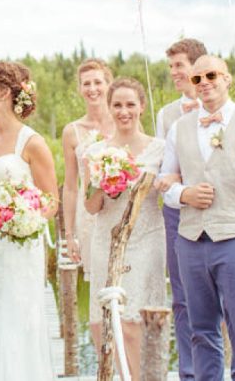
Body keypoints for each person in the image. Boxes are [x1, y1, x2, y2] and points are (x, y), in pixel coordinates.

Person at [159, 55, 235, 381]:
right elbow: (166, 181)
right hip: (191, 243)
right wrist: (184, 195)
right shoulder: (178, 128)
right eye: (197, 79)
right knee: (200, 331)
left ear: (227, 78)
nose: (205, 83)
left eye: (211, 75)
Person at [0, 61, 59, 380]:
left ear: (5, 93)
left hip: (19, 247)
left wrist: (25, 219)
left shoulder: (32, 142)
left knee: (16, 319)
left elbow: (52, 200)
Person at [83, 77, 166, 381]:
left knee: (136, 321)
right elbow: (91, 207)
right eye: (117, 105)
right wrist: (101, 181)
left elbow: (169, 192)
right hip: (106, 240)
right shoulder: (96, 152)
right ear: (109, 107)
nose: (124, 111)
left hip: (147, 239)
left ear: (142, 107)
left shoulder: (161, 149)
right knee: (101, 322)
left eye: (130, 104)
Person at [153, 38, 206, 381]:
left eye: (180, 65)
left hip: (218, 212)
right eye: (170, 66)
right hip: (177, 213)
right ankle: (189, 372)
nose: (174, 72)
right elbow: (164, 170)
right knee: (183, 297)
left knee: (220, 297)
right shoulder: (166, 114)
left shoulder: (226, 108)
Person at [61, 59, 115, 272]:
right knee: (99, 283)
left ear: (108, 84)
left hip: (121, 210)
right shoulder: (71, 131)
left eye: (98, 82)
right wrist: (69, 235)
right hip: (90, 216)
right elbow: (71, 186)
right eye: (86, 84)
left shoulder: (125, 119)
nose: (92, 89)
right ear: (80, 88)